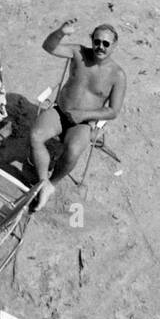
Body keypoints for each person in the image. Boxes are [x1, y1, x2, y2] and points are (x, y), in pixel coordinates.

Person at [30, 22, 126, 210]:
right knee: (35, 136)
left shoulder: (118, 75)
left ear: (114, 46)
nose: (100, 47)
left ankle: (54, 182)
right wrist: (60, 32)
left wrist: (83, 115)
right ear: (91, 40)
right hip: (61, 111)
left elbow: (113, 111)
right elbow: (48, 47)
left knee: (73, 151)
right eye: (97, 41)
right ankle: (43, 183)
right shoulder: (79, 53)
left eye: (106, 44)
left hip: (83, 123)